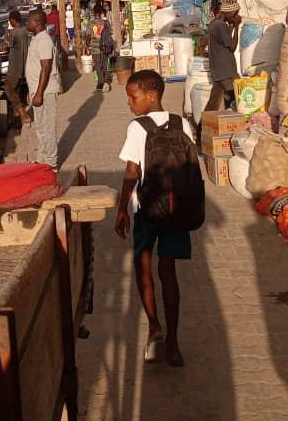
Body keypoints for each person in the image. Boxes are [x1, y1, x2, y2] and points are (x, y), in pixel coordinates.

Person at [114, 69, 197, 367]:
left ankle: (154, 328)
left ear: (152, 95)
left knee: (143, 266)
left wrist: (122, 208)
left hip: (146, 209)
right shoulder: (182, 123)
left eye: (132, 97)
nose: (129, 104)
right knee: (169, 273)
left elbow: (132, 172)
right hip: (176, 210)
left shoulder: (138, 128)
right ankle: (174, 344)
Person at [25, 9, 62, 168]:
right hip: (37, 90)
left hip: (45, 92)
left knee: (47, 128)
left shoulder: (44, 40)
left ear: (37, 23)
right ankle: (42, 159)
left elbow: (46, 67)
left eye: (29, 20)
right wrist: (31, 90)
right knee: (40, 128)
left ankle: (51, 163)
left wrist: (39, 93)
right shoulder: (36, 38)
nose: (27, 23)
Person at [205, 0, 240, 113]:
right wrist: (236, 26)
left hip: (218, 71)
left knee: (213, 103)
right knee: (238, 99)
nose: (235, 17)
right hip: (227, 72)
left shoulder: (214, 24)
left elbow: (224, 39)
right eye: (234, 14)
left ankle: (202, 128)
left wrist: (230, 25)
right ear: (228, 12)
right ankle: (234, 124)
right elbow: (232, 47)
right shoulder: (221, 26)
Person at [5, 10, 32, 125]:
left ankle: (23, 113)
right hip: (26, 66)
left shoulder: (14, 33)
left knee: (9, 89)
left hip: (15, 67)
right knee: (15, 89)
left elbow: (7, 45)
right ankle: (17, 115)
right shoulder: (26, 31)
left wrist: (6, 32)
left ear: (11, 20)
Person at [84, 7, 115, 91]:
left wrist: (87, 47)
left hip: (95, 48)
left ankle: (101, 82)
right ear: (101, 13)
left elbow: (88, 36)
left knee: (97, 65)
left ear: (93, 13)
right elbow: (111, 33)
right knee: (105, 64)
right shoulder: (106, 22)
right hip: (105, 47)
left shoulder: (91, 23)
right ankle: (105, 82)